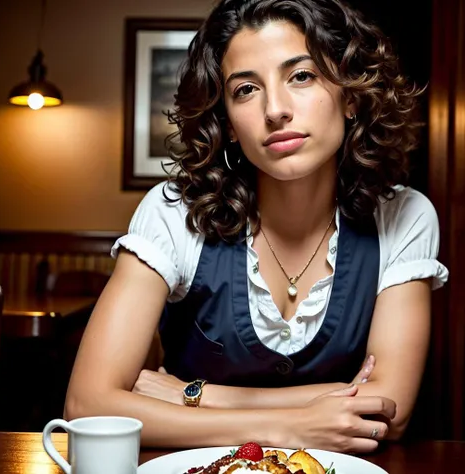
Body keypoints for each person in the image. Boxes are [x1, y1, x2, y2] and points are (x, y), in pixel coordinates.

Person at [64, 0, 448, 453]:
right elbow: (87, 405)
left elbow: (389, 410)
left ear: (351, 95)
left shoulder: (404, 216)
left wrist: (198, 396)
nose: (275, 109)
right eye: (246, 89)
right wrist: (293, 426)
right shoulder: (172, 213)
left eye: (301, 76)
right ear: (227, 123)